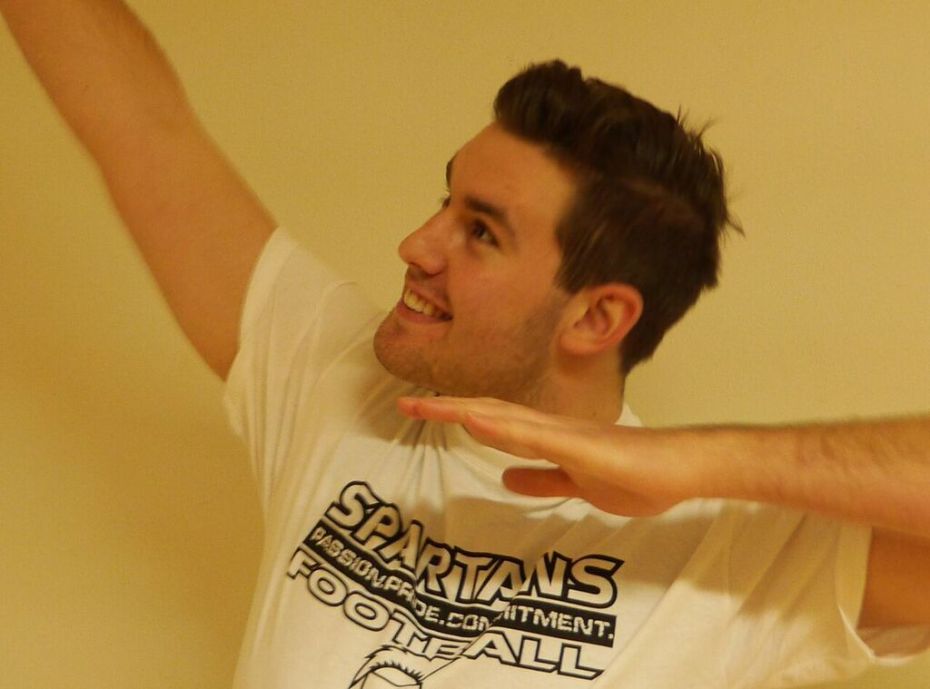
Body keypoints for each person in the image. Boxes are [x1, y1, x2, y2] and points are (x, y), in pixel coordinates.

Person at [2, 2, 927, 688]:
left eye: (481, 231)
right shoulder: (334, 382)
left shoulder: (737, 559)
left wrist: (701, 461)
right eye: (445, 201)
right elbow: (136, 119)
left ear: (596, 319)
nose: (416, 245)